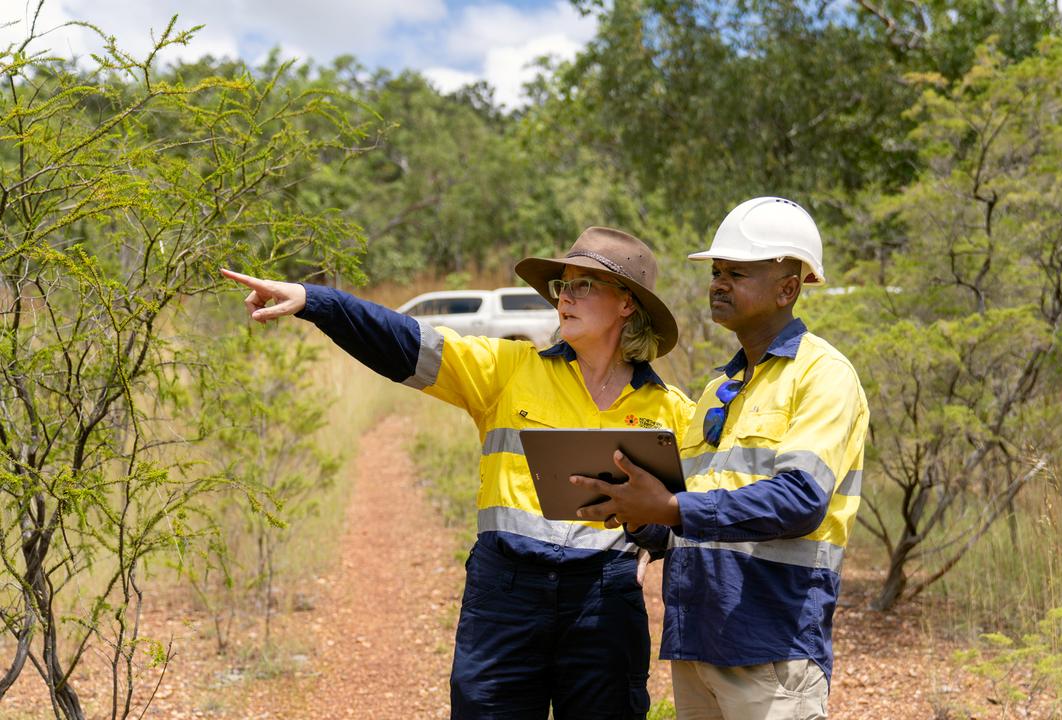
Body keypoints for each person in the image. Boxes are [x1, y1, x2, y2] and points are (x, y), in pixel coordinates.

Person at [221, 227, 693, 719]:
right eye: (563, 286)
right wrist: (313, 301)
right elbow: (405, 343)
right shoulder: (509, 369)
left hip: (605, 601)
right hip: (506, 591)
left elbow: (686, 520)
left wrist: (651, 539)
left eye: (584, 286)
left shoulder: (672, 412)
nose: (564, 298)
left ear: (627, 305)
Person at [573, 198, 869, 719]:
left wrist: (668, 508)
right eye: (716, 272)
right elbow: (687, 517)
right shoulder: (716, 392)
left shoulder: (823, 375)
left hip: (772, 644)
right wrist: (636, 514)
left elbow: (801, 500)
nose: (719, 283)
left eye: (737, 272)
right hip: (699, 644)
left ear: (788, 288)